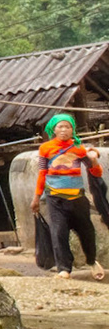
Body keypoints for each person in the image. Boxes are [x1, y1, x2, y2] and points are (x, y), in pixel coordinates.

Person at [32, 112, 106, 279]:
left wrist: (93, 159)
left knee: (87, 231)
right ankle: (64, 269)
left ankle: (92, 261)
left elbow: (95, 172)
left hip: (78, 199)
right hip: (55, 199)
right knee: (58, 233)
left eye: (68, 126)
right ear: (53, 129)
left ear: (73, 130)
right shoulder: (45, 149)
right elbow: (42, 173)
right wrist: (36, 197)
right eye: (61, 126)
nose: (64, 129)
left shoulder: (79, 149)